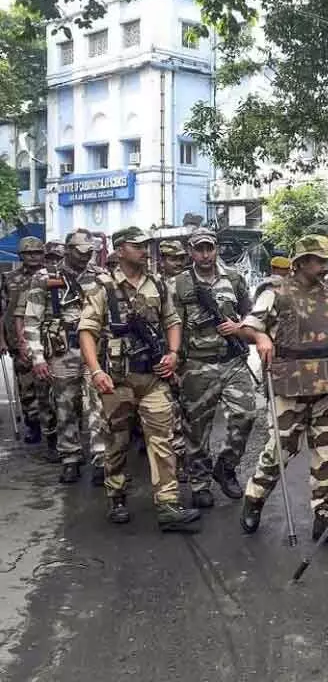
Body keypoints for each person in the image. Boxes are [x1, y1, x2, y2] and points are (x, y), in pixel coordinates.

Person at [78, 226, 201, 531]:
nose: (146, 250)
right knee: (117, 442)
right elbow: (87, 331)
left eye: (147, 245)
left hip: (153, 376)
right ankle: (116, 495)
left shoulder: (158, 284)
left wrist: (172, 353)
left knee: (163, 439)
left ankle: (168, 504)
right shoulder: (102, 287)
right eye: (138, 245)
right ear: (120, 250)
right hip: (117, 379)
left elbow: (172, 320)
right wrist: (96, 371)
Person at [238, 234, 328, 545]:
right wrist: (261, 338)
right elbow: (248, 326)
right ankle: (254, 498)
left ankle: (325, 518)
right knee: (280, 450)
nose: (326, 266)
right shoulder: (275, 291)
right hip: (290, 384)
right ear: (301, 262)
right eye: (320, 261)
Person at [172, 229, 255, 508]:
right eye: (199, 249)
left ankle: (226, 467)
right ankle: (199, 482)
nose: (205, 254)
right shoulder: (178, 284)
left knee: (246, 414)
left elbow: (252, 315)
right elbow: (169, 325)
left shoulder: (233, 277)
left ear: (216, 248)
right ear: (190, 251)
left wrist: (239, 328)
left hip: (232, 360)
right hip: (196, 364)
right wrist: (173, 360)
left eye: (209, 248)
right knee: (197, 428)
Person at [23, 230, 103, 484]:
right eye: (81, 252)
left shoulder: (99, 277)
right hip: (62, 350)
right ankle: (70, 456)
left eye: (89, 252)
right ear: (67, 250)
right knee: (65, 406)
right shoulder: (45, 278)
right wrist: (37, 357)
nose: (86, 257)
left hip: (94, 350)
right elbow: (32, 319)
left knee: (97, 405)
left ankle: (100, 458)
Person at [1, 236, 54, 454]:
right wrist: (2, 340)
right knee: (26, 388)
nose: (33, 257)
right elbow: (3, 311)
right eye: (28, 253)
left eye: (37, 253)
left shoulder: (52, 276)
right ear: (21, 255)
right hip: (17, 342)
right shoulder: (9, 278)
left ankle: (52, 428)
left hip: (48, 342)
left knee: (49, 389)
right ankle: (33, 426)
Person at [157, 240, 192, 467]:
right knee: (172, 409)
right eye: (172, 258)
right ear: (162, 261)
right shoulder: (156, 285)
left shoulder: (190, 282)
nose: (178, 263)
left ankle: (188, 453)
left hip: (190, 353)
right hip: (166, 354)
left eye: (181, 258)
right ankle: (178, 457)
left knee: (190, 407)